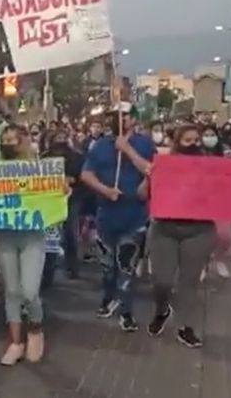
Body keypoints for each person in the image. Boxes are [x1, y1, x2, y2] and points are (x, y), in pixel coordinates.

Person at [81, 102, 155, 333]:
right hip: (105, 215)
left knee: (126, 265)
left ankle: (127, 311)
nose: (119, 121)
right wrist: (104, 190)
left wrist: (129, 152)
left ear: (133, 119)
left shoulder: (144, 144)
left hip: (134, 215)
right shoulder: (100, 145)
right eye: (115, 116)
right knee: (108, 266)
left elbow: (152, 171)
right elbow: (86, 173)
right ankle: (108, 296)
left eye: (124, 116)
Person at [144, 125, 215, 348]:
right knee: (161, 280)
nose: (193, 144)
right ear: (177, 143)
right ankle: (162, 309)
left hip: (198, 231)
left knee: (189, 282)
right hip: (165, 229)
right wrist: (150, 178)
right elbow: (141, 194)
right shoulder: (163, 165)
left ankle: (186, 326)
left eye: (197, 140)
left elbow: (223, 195)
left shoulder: (211, 166)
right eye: (187, 140)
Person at [0, 124, 46, 365]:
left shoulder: (39, 166)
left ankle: (35, 330)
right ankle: (16, 343)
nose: (8, 144)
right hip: (5, 234)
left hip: (32, 235)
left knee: (29, 290)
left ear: (23, 141)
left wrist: (63, 189)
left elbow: (54, 193)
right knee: (12, 291)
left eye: (12, 140)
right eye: (4, 140)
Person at [43, 128, 84, 279]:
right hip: (50, 200)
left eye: (63, 137)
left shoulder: (77, 157)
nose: (60, 140)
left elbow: (84, 176)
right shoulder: (44, 158)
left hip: (72, 199)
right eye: (57, 137)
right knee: (51, 235)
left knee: (70, 234)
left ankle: (72, 266)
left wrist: (73, 180)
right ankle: (49, 269)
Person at [200, 125, 231, 279]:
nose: (209, 137)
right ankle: (203, 264)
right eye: (205, 134)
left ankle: (220, 259)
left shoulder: (226, 150)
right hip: (200, 198)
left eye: (211, 134)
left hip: (223, 197)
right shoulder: (196, 151)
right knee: (202, 235)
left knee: (224, 235)